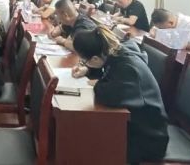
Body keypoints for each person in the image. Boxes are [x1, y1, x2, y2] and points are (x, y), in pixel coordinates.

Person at [72, 26, 168, 163]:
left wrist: (98, 84)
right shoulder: (116, 53)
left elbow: (109, 97)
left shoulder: (127, 67)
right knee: (87, 133)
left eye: (84, 61)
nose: (84, 63)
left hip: (147, 137)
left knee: (89, 140)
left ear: (95, 58)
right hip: (133, 125)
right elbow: (106, 70)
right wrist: (87, 70)